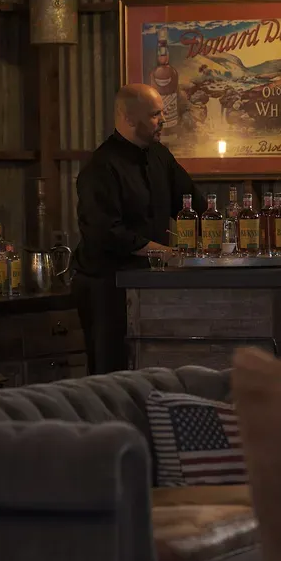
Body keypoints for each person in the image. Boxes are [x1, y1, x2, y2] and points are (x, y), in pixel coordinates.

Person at [72, 84, 202, 374]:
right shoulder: (100, 167)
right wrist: (167, 252)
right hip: (107, 286)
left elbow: (192, 203)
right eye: (156, 115)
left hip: (150, 283)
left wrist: (228, 227)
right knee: (113, 372)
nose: (164, 120)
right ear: (130, 119)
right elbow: (107, 233)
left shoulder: (160, 156)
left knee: (152, 367)